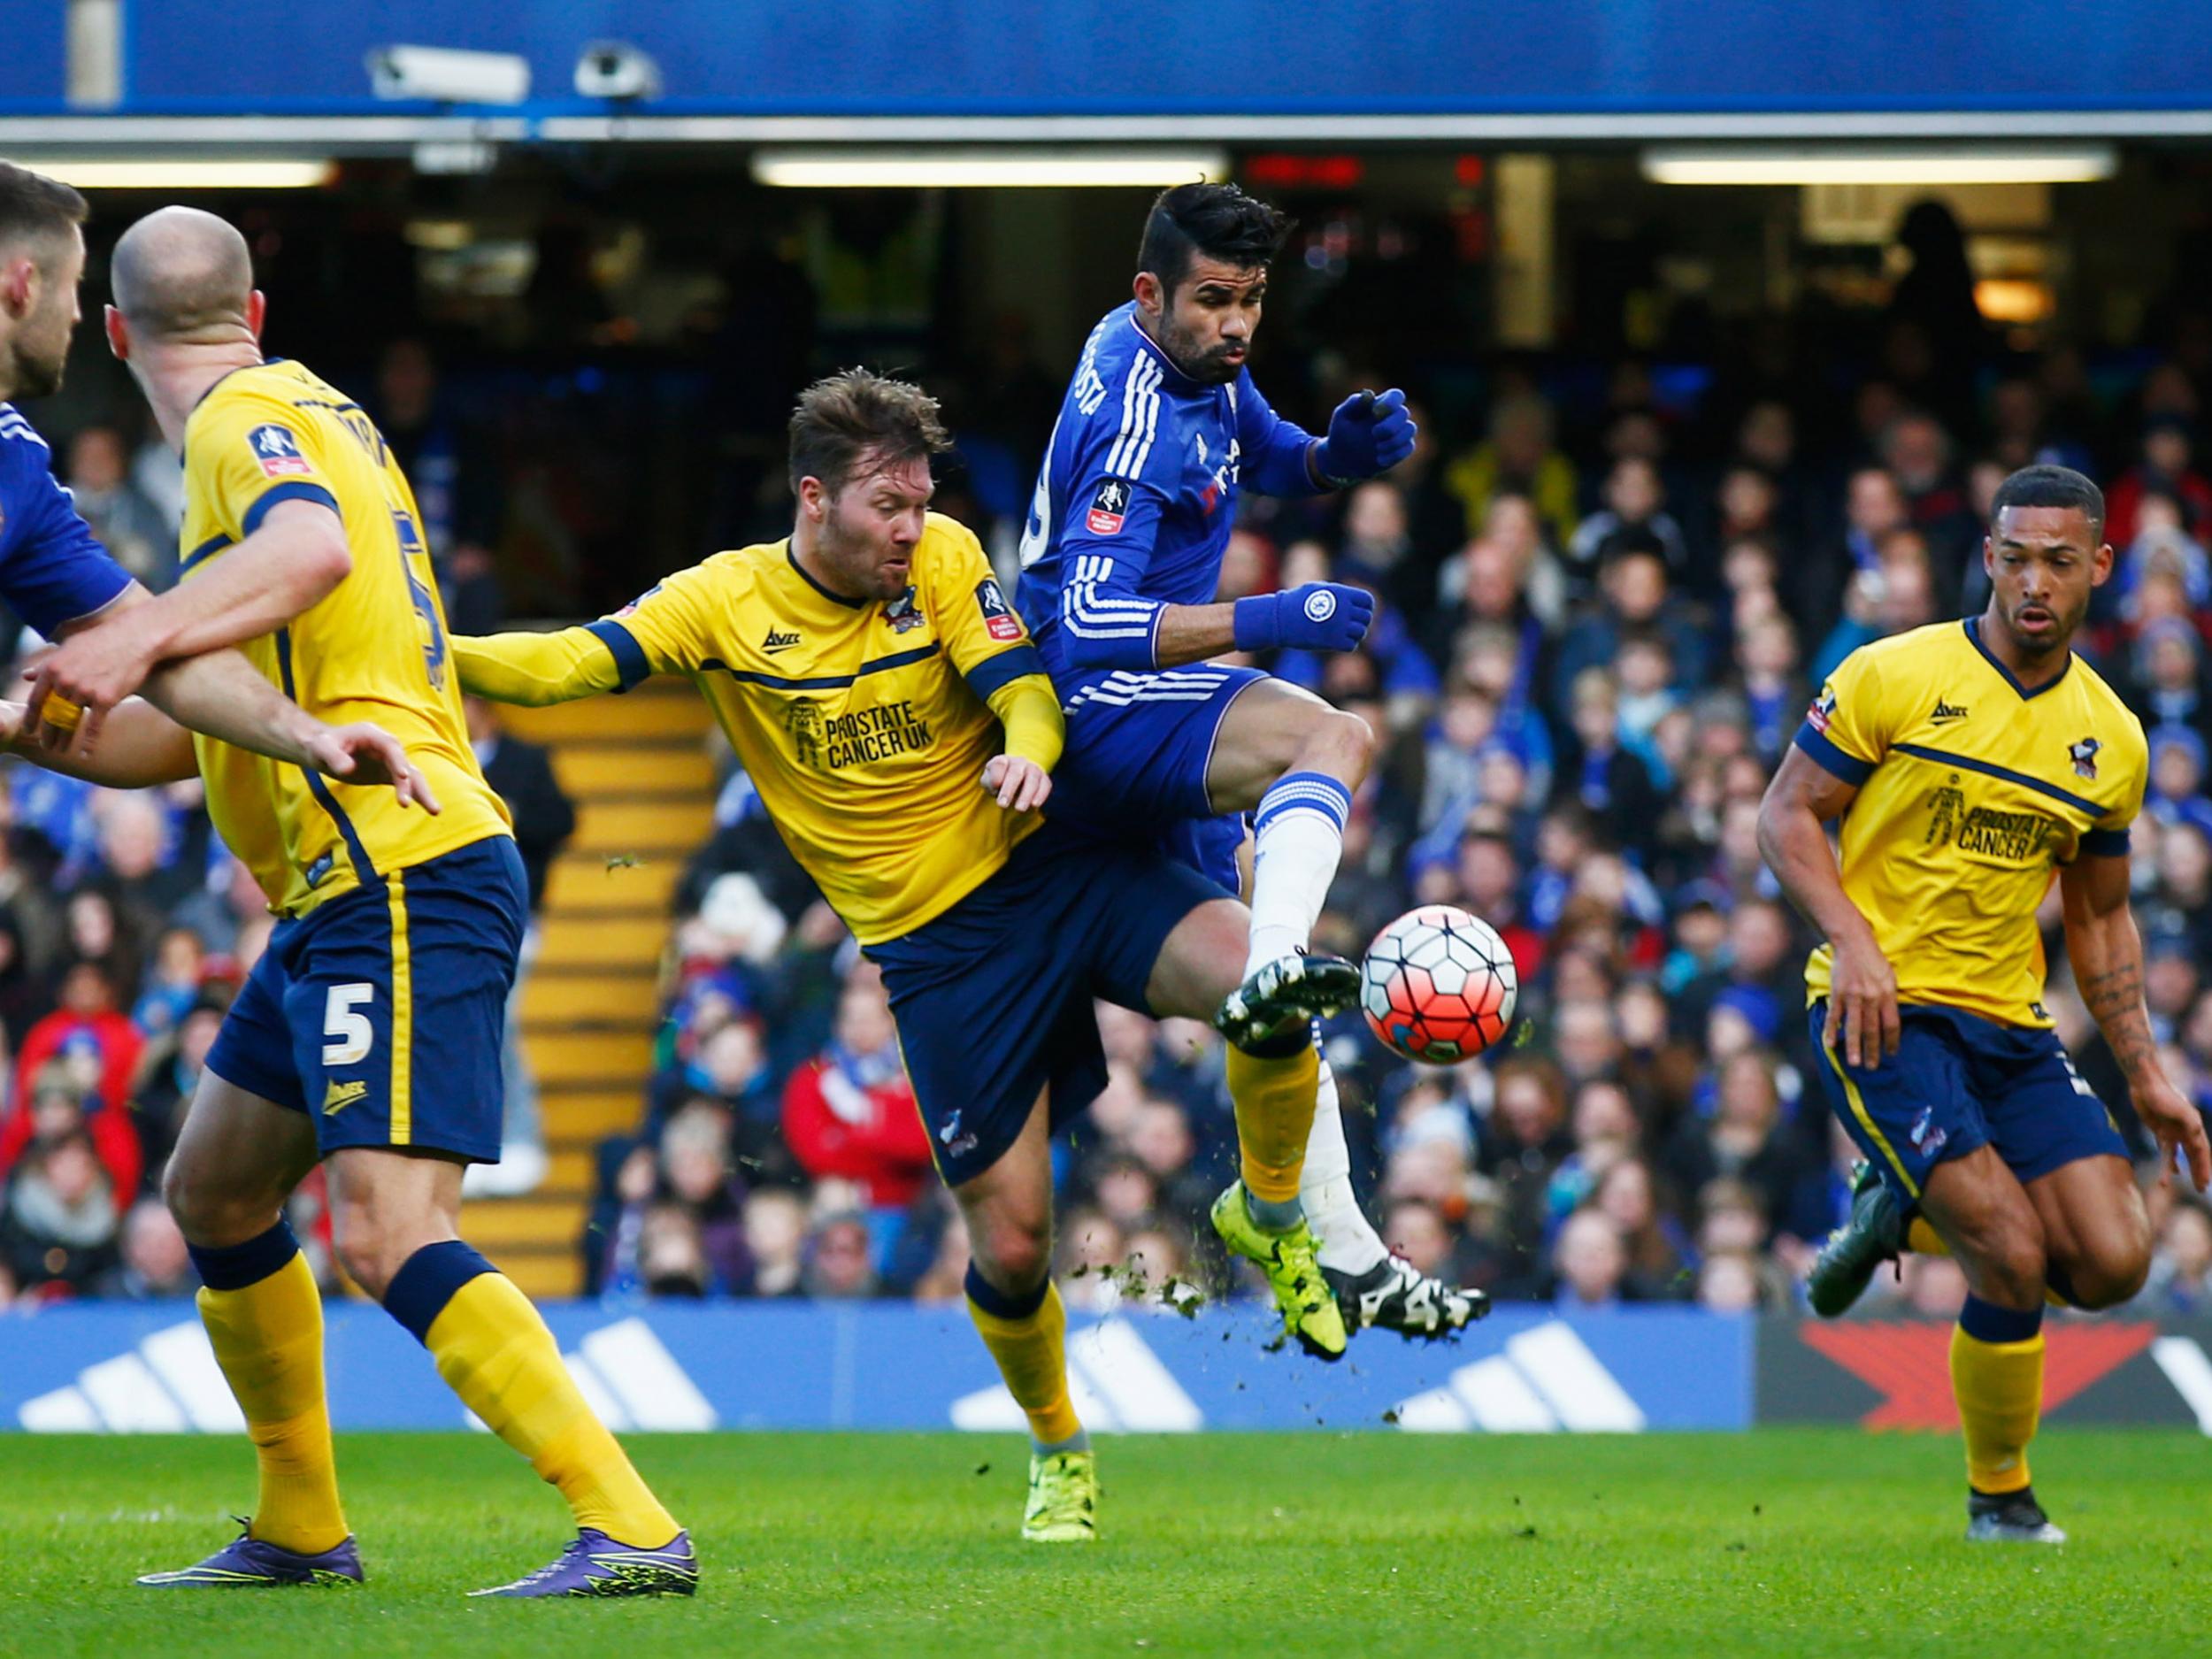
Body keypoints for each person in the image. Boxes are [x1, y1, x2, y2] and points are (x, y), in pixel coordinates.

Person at [455, 368, 1433, 1548]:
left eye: (923, 500)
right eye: (888, 506)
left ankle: (1269, 1207)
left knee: (1262, 988)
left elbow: (1023, 689)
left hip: (1057, 861)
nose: (912, 527)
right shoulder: (724, 601)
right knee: (1014, 1244)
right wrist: (424, 653)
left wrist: (1028, 750)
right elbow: (565, 665)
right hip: (941, 951)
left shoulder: (947, 557)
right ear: (814, 498)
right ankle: (1060, 1444)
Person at [19, 205, 692, 1597]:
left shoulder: (235, 422)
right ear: (254, 308)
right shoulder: (323, 409)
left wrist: (132, 631)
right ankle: (302, 1527)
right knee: (215, 1184)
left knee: (386, 1230)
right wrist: (41, 712)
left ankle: (631, 1523)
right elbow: (185, 730)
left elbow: (309, 555)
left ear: (117, 330)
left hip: (397, 862)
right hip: (347, 880)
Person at [1012, 181, 1482, 1337]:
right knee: (1336, 735)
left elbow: (1256, 451)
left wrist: (1332, 458)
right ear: (1149, 295)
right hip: (1093, 696)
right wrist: (1276, 614)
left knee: (1263, 1016)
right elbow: (1086, 617)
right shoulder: (1129, 411)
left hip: (1148, 697)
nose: (1237, 324)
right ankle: (1282, 968)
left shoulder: (1198, 363)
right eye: (1216, 301)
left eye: (1254, 301)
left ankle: (1331, 1242)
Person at [1757, 464, 2211, 1544]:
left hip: (2009, 1024)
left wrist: (2145, 1066)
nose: (2033, 583)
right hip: (1879, 1012)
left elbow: (2100, 918)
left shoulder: (2111, 740)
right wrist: (1854, 944)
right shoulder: (1893, 674)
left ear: (2099, 566)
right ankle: (1999, 1497)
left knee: (2109, 1264)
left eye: (2059, 560)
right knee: (2008, 1248)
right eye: (2013, 558)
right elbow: (1785, 817)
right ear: (1988, 558)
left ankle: (1897, 1207)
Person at [460, 694, 574, 1197]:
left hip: (513, 915)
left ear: (483, 707)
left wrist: (507, 821)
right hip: (456, 921)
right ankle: (474, 1141)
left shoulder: (525, 759)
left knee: (500, 1028)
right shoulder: (437, 756)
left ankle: (523, 1137)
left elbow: (563, 821)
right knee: (468, 1031)